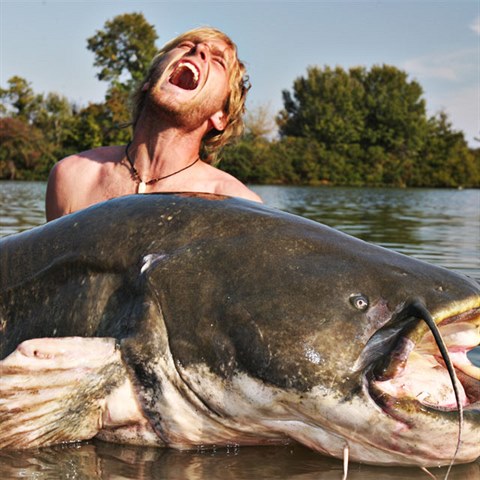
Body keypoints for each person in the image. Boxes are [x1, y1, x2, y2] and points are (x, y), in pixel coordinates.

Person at [46, 27, 262, 221]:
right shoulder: (73, 178)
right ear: (148, 82)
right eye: (186, 45)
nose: (199, 50)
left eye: (218, 61)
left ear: (221, 117)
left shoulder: (238, 206)